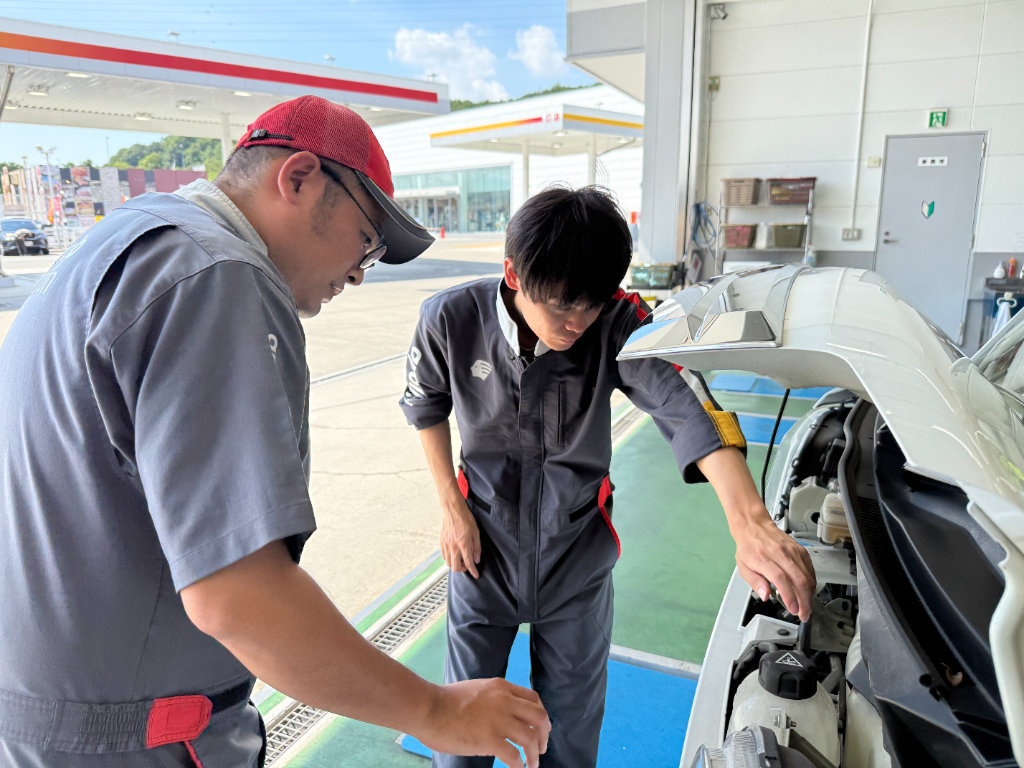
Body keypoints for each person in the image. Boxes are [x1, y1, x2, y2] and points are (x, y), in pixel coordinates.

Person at [0, 96, 550, 768]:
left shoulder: (119, 245)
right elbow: (237, 594)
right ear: (298, 178)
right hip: (135, 740)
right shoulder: (219, 275)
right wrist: (436, 712)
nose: (358, 270)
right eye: (366, 238)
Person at [400, 186, 816, 767]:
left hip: (576, 558)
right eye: (562, 308)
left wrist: (749, 520)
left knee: (569, 732)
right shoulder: (449, 318)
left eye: (591, 306)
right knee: (461, 726)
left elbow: (687, 402)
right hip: (481, 550)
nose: (577, 324)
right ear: (514, 275)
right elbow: (427, 408)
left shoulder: (619, 322)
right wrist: (451, 508)